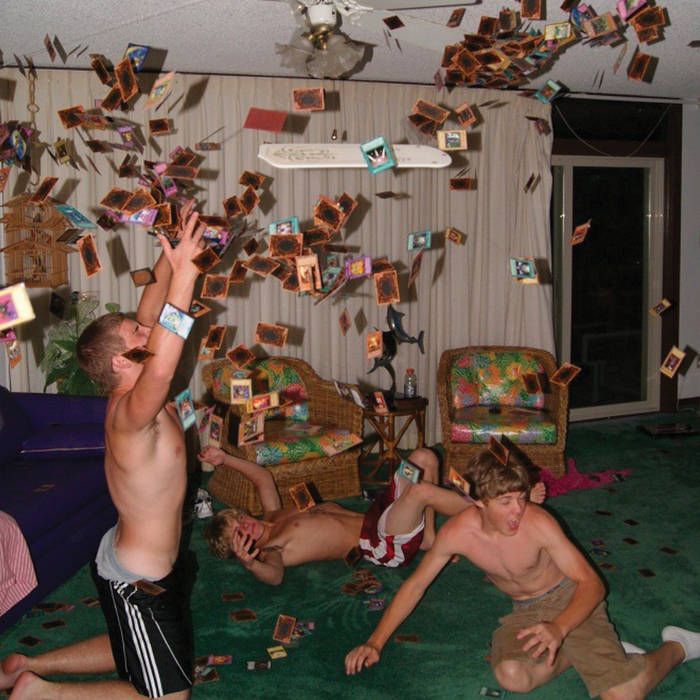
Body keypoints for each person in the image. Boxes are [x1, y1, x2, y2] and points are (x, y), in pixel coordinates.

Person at [1, 205, 205, 699]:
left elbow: (152, 311)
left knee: (140, 646)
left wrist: (171, 252)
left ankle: (30, 663)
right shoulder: (131, 412)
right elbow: (163, 367)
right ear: (119, 362)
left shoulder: (135, 381)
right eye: (137, 334)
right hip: (139, 578)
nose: (147, 332)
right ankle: (39, 692)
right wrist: (186, 275)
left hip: (143, 562)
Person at [345, 450, 700, 698]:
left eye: (521, 497)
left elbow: (593, 584)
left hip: (571, 600)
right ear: (479, 501)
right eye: (506, 502)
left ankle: (678, 646)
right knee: (512, 675)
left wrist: (560, 627)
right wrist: (375, 642)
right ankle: (583, 652)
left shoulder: (538, 523)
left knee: (622, 695)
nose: (518, 510)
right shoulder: (457, 533)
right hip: (526, 611)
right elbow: (415, 586)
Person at [202, 445, 545, 585]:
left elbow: (262, 477)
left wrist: (224, 459)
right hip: (380, 542)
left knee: (424, 458)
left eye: (238, 520)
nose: (246, 526)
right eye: (240, 535)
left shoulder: (273, 513)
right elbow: (274, 577)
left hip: (378, 512)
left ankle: (427, 536)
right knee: (421, 492)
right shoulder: (273, 549)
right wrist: (251, 564)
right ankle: (500, 504)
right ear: (242, 548)